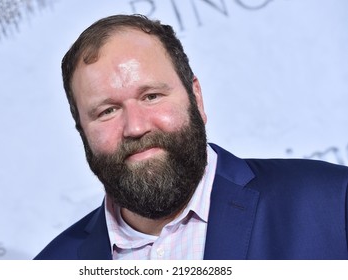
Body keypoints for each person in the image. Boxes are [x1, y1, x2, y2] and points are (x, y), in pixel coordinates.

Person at [35, 14, 348, 260]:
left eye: (151, 96)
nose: (135, 127)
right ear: (82, 131)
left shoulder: (332, 203)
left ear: (196, 98)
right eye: (107, 111)